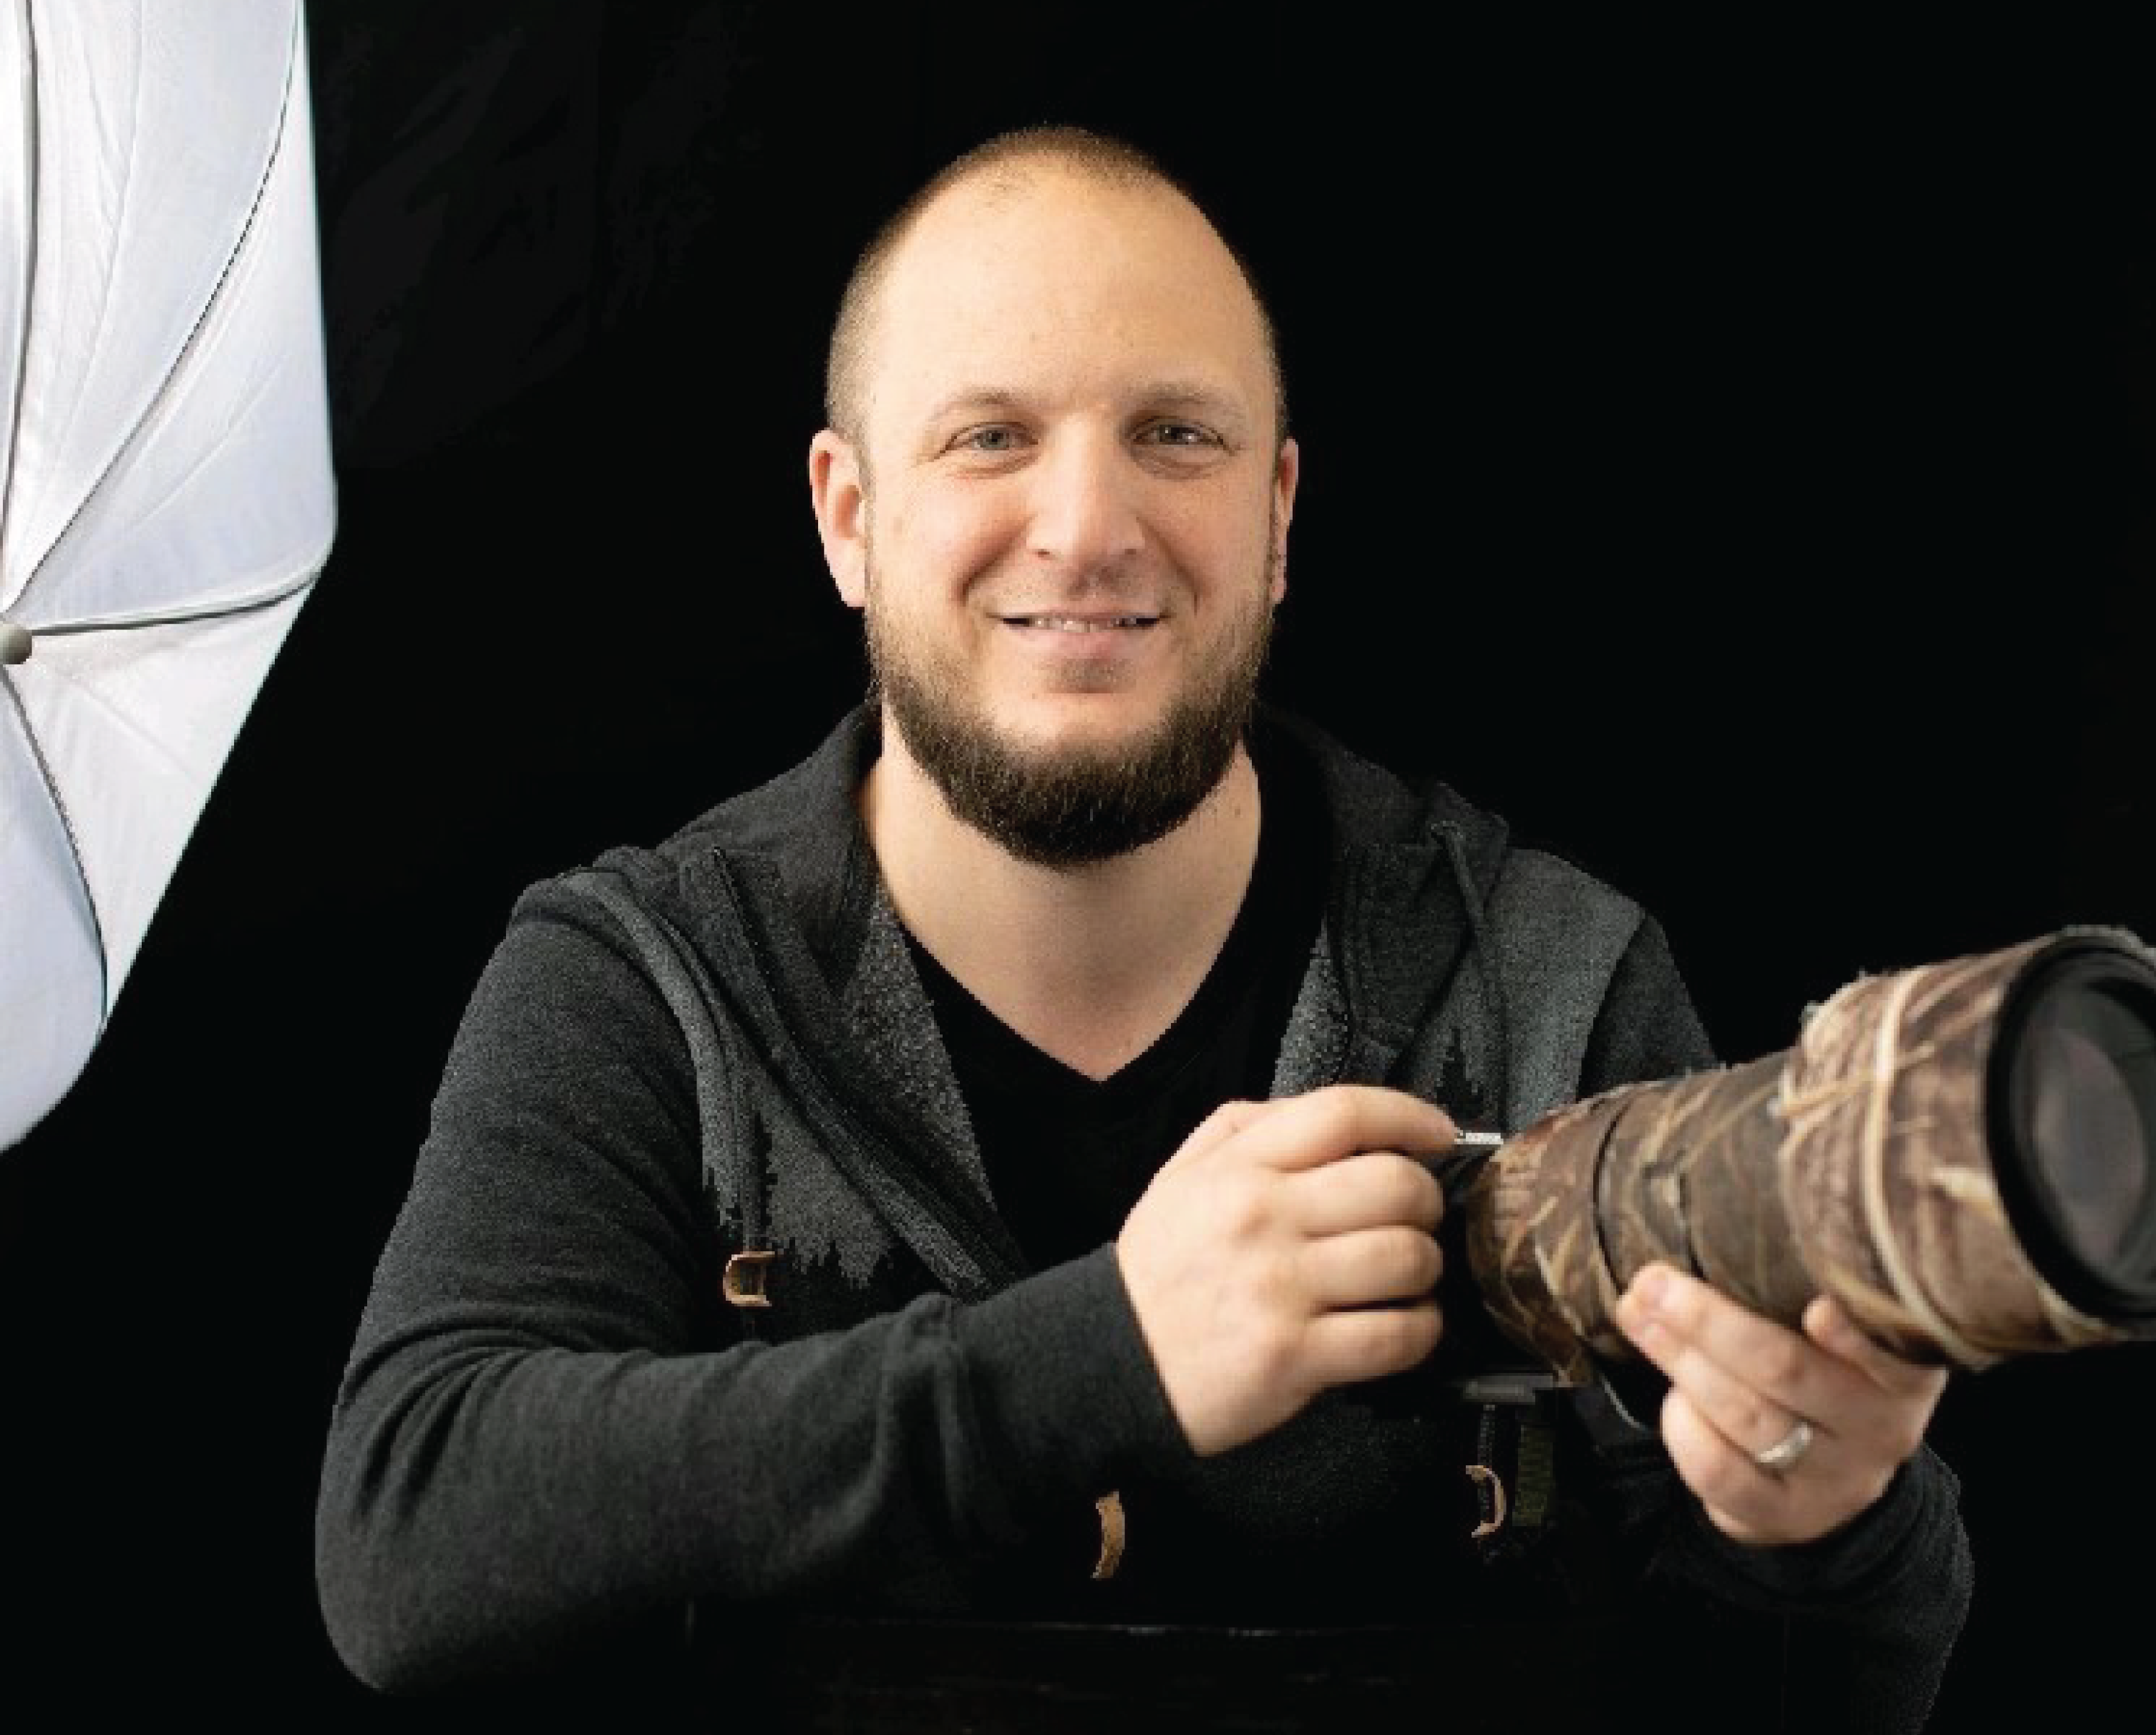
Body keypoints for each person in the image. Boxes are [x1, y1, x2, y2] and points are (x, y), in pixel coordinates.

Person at [313, 123, 1972, 1729]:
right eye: (988, 436)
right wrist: (1103, 1354)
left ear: (1278, 516)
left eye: (1177, 435)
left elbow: (1786, 1699)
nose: (1089, 526)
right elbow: (413, 1534)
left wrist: (1827, 1525)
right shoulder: (647, 982)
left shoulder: (1550, 982)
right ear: (847, 515)